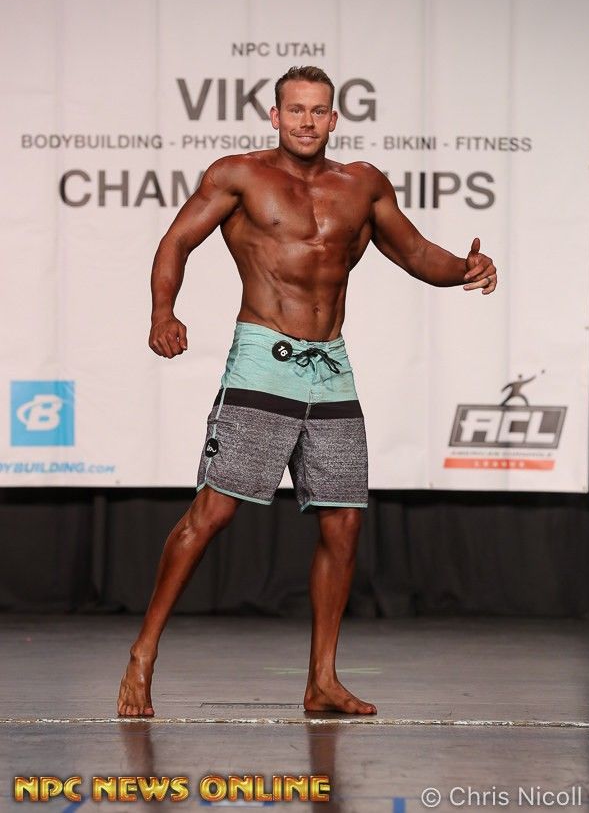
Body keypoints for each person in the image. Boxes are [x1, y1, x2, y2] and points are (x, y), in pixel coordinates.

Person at [117, 65, 497, 718]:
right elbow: (176, 241)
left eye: (318, 111)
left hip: (331, 366)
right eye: (295, 109)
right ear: (275, 115)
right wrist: (162, 313)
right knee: (214, 513)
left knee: (343, 520)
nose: (306, 121)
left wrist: (465, 268)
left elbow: (415, 253)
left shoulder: (363, 184)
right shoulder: (239, 175)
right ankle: (143, 654)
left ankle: (322, 679)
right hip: (263, 359)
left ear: (333, 119)